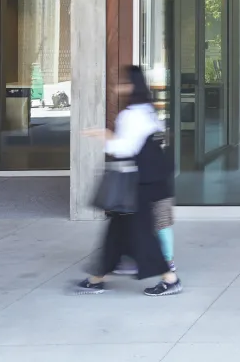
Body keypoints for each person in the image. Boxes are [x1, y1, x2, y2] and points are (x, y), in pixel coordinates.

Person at [75, 65, 182, 296]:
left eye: (122, 83)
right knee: (120, 229)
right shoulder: (148, 110)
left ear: (132, 86)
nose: (117, 87)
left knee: (138, 231)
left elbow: (124, 148)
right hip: (153, 180)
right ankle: (96, 278)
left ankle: (170, 278)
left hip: (140, 183)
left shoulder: (131, 115)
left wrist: (104, 135)